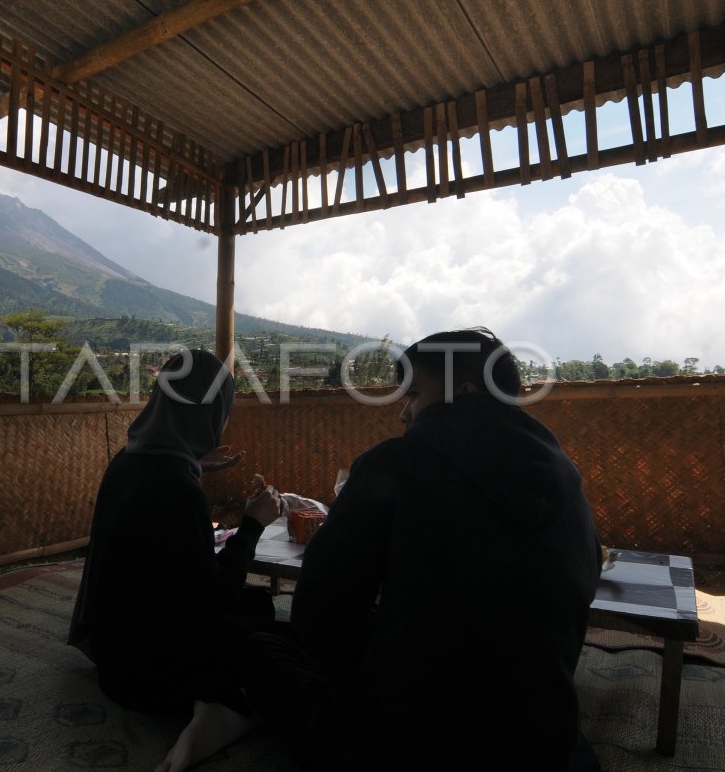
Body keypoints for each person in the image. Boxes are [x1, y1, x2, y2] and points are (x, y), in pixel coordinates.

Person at [241, 327, 603, 771]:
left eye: (413, 395)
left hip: (409, 741)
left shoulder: (395, 465)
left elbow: (319, 619)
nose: (403, 414)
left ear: (464, 394)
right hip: (544, 740)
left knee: (260, 648)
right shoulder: (564, 476)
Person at [67, 348, 282, 771]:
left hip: (113, 661)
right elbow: (214, 599)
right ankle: (213, 712)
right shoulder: (178, 489)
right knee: (262, 621)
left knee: (253, 608)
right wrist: (253, 524)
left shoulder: (128, 460)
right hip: (155, 681)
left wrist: (195, 463)